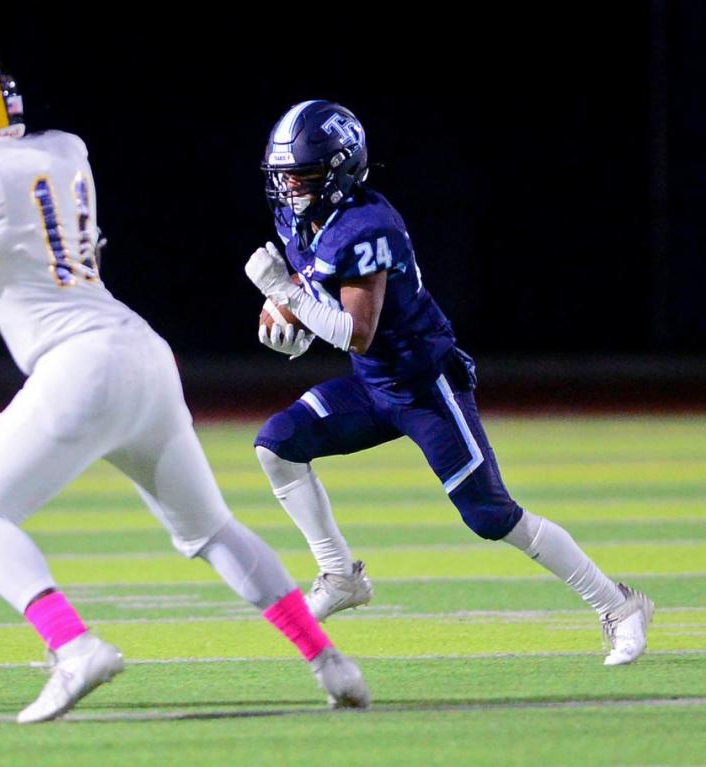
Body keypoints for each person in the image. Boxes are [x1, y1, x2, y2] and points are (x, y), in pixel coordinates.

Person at [0, 50, 369, 724]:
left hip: (76, 365)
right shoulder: (66, 151)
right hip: (142, 353)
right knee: (212, 529)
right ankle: (331, 662)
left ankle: (73, 645)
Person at [244, 99, 653, 665]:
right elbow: (324, 301)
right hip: (373, 383)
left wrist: (285, 295)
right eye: (284, 175)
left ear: (339, 171)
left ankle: (619, 605)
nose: (289, 187)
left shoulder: (367, 226)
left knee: (491, 516)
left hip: (423, 385)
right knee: (277, 445)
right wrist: (293, 320)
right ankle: (340, 574)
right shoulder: (303, 217)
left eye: (304, 175)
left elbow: (357, 330)